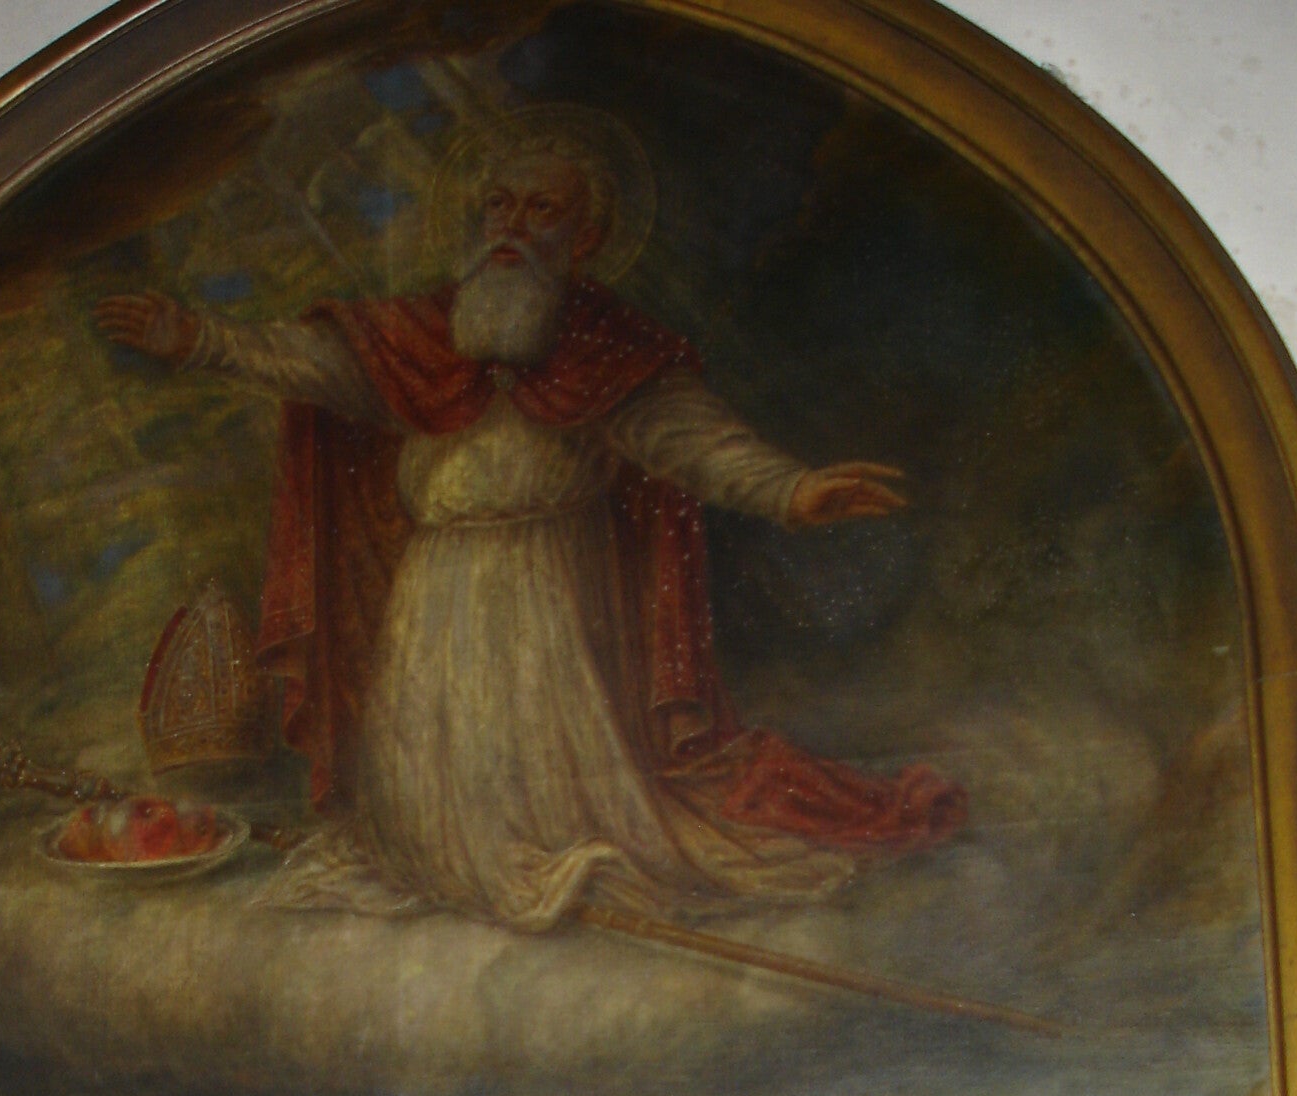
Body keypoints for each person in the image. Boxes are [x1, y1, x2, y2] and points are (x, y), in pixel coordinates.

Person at [95, 111, 965, 931]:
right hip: (432, 592)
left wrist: (792, 490)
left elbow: (695, 440)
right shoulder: (420, 335)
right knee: (430, 803)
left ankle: (535, 859)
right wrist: (196, 338)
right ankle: (437, 855)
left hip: (553, 588)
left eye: (541, 209)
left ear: (584, 237)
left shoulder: (607, 346)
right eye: (499, 205)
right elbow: (304, 358)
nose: (511, 226)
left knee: (554, 798)